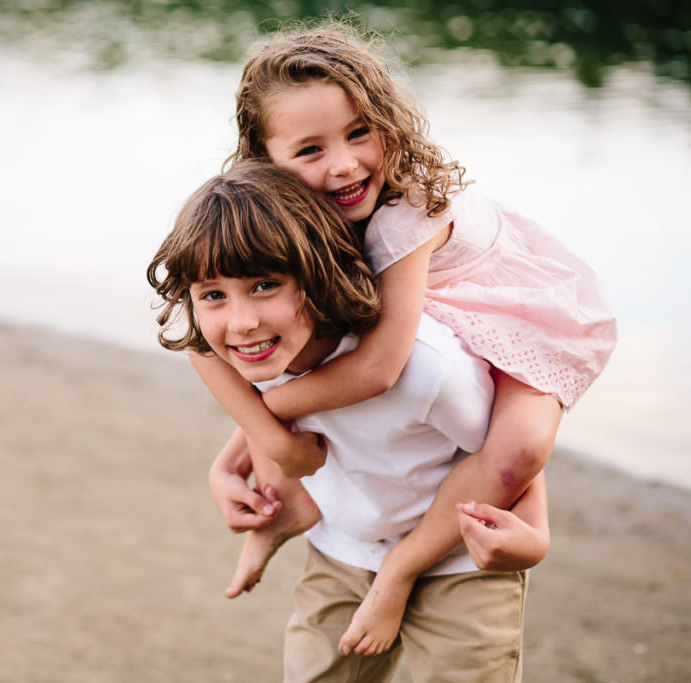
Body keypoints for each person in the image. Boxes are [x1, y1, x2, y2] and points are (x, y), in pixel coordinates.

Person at [189, 22, 617, 658]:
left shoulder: (403, 211)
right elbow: (201, 337)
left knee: (519, 443)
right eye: (310, 151)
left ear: (388, 121)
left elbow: (379, 370)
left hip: (517, 309)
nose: (345, 163)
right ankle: (295, 508)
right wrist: (246, 448)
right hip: (435, 311)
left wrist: (262, 427)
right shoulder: (294, 214)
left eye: (361, 132)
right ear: (265, 160)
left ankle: (423, 564)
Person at [148, 161, 548, 682]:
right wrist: (227, 466)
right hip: (346, 548)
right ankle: (290, 515)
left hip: (457, 557)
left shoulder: (426, 369)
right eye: (213, 295)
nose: (242, 322)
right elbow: (267, 407)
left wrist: (530, 535)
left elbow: (507, 462)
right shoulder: (246, 352)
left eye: (265, 285)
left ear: (316, 277)